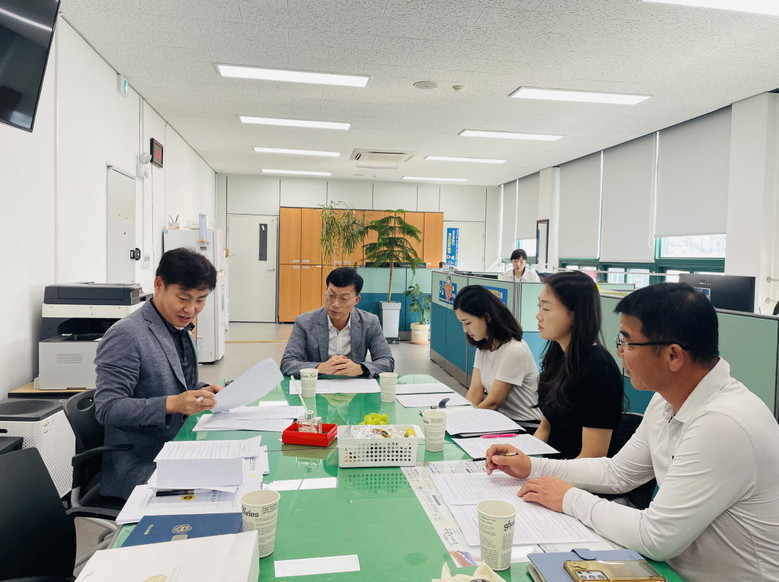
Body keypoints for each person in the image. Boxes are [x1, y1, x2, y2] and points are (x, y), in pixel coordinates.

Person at [485, 283, 779, 582]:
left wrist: (569, 498)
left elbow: (656, 537)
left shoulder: (724, 423)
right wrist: (533, 467)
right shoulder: (666, 400)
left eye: (627, 341)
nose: (620, 351)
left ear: (673, 355)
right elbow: (618, 473)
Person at [94, 248, 222, 500]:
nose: (191, 309)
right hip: (142, 463)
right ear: (159, 285)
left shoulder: (177, 327)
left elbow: (180, 383)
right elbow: (108, 408)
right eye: (183, 298)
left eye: (201, 300)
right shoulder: (127, 334)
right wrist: (173, 404)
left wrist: (204, 390)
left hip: (179, 449)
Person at [535, 271, 623, 459]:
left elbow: (592, 457)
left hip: (574, 473)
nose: (538, 315)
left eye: (546, 309)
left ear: (575, 315)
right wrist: (526, 460)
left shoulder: (599, 370)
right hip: (550, 467)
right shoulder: (558, 356)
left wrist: (542, 473)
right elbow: (545, 426)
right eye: (539, 306)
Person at [280, 267, 394, 377]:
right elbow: (287, 364)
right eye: (331, 296)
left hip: (354, 384)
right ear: (326, 292)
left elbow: (387, 362)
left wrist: (360, 369)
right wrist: (319, 368)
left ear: (356, 300)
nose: (335, 304)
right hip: (318, 384)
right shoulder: (304, 322)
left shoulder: (369, 322)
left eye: (343, 299)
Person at [453, 285, 541, 423]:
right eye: (462, 324)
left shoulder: (514, 350)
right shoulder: (483, 348)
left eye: (468, 323)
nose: (465, 330)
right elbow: (475, 393)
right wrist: (461, 416)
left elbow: (493, 402)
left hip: (526, 424)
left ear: (487, 317)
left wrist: (465, 421)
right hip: (501, 420)